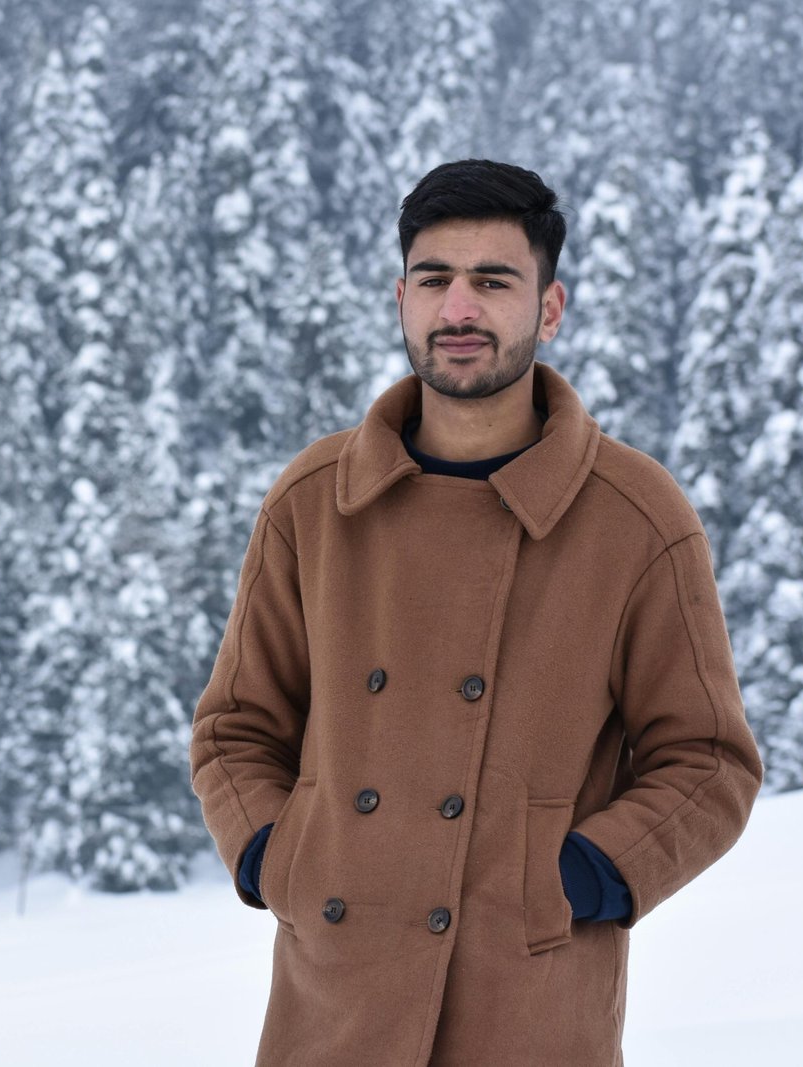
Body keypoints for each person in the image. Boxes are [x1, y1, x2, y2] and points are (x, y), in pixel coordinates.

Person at [190, 159, 763, 1065]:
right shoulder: (313, 500)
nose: (459, 310)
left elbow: (710, 760)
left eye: (493, 281)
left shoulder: (636, 516)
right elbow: (234, 727)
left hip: (529, 1010)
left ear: (549, 308)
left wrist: (582, 877)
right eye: (435, 280)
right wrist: (276, 852)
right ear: (402, 298)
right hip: (332, 1008)